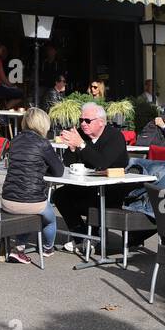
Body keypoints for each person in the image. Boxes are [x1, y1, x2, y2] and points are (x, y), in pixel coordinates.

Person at [54, 102, 129, 246]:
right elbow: (68, 163)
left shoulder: (114, 137)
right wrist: (72, 148)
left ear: (101, 122)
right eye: (81, 120)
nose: (83, 124)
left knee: (94, 197)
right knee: (60, 194)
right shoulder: (82, 135)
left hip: (112, 190)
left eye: (87, 121)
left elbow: (101, 163)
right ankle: (81, 237)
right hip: (87, 185)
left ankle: (92, 238)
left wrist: (81, 145)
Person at [1, 107, 65, 263]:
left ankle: (19, 249)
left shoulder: (14, 140)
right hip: (31, 201)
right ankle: (48, 248)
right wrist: (43, 171)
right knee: (49, 218)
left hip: (7, 200)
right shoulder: (43, 143)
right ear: (43, 124)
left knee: (28, 212)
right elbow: (59, 171)